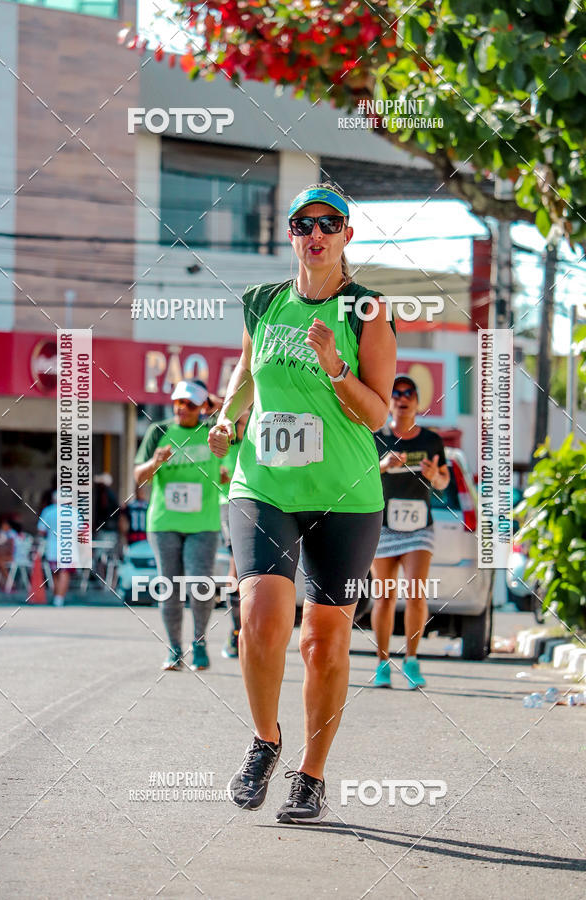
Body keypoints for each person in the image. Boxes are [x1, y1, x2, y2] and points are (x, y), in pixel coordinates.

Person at [208, 183, 396, 824]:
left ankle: (311, 774)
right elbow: (244, 373)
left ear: (347, 235)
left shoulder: (365, 310)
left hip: (345, 495)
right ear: (290, 233)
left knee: (324, 642)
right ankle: (265, 739)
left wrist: (335, 366)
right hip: (263, 483)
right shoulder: (262, 302)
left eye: (330, 223)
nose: (316, 233)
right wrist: (227, 417)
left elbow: (378, 414)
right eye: (303, 223)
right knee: (261, 616)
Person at [134, 379, 222, 672]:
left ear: (203, 408)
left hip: (203, 523)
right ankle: (174, 649)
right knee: (169, 587)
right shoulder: (158, 431)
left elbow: (242, 420)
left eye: (190, 404)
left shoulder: (213, 432)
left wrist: (218, 405)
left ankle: (199, 643)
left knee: (200, 585)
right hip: (164, 522)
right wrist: (154, 464)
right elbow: (138, 476)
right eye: (178, 402)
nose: (182, 409)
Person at [371, 374, 450, 689]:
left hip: (420, 526)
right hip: (384, 525)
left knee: (416, 592)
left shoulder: (431, 440)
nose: (403, 398)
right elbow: (361, 476)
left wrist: (434, 476)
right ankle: (382, 663)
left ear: (417, 402)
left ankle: (413, 660)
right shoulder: (376, 437)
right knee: (385, 597)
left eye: (409, 393)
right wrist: (383, 465)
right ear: (389, 402)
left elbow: (444, 481)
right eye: (397, 393)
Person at [217, 413, 249, 659]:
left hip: (265, 502)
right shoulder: (225, 433)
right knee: (236, 568)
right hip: (230, 504)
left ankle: (249, 629)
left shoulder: (259, 428)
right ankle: (237, 630)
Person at [37, 492, 78, 606]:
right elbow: (79, 531)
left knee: (55, 573)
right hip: (69, 548)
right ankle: (59, 599)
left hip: (52, 548)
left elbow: (41, 530)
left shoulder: (48, 511)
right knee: (65, 573)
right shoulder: (73, 512)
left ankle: (56, 597)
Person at [118, 484, 149, 550]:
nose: (140, 492)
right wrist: (124, 534)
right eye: (139, 490)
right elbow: (122, 520)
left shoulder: (148, 506)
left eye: (141, 490)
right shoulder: (130, 506)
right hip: (132, 538)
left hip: (145, 539)